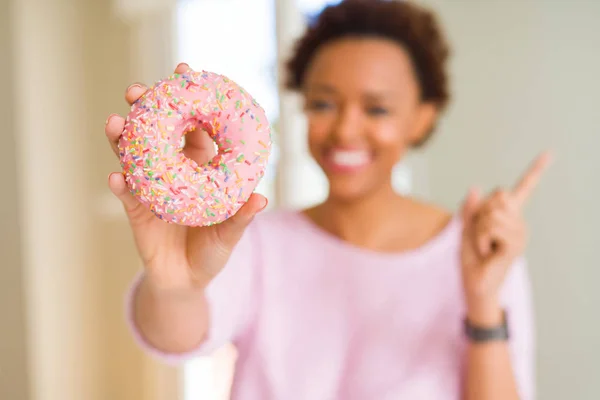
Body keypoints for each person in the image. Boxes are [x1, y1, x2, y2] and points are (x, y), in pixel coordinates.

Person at [104, 1, 550, 399]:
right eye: (323, 104)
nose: (344, 131)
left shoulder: (478, 252)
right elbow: (174, 338)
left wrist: (482, 300)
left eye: (377, 109)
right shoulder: (255, 240)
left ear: (422, 117)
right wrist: (173, 285)